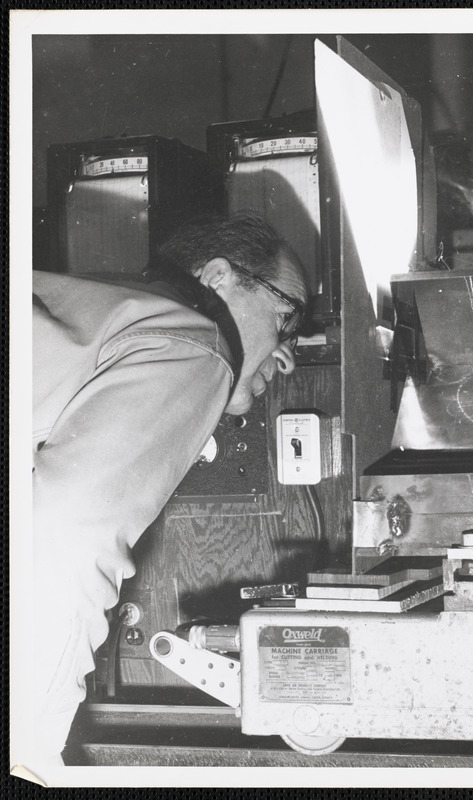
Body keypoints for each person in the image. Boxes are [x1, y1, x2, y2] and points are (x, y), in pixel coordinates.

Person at [30, 213, 308, 772]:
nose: (287, 356)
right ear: (216, 277)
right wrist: (28, 749)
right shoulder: (194, 340)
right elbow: (68, 535)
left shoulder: (98, 304)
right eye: (283, 319)